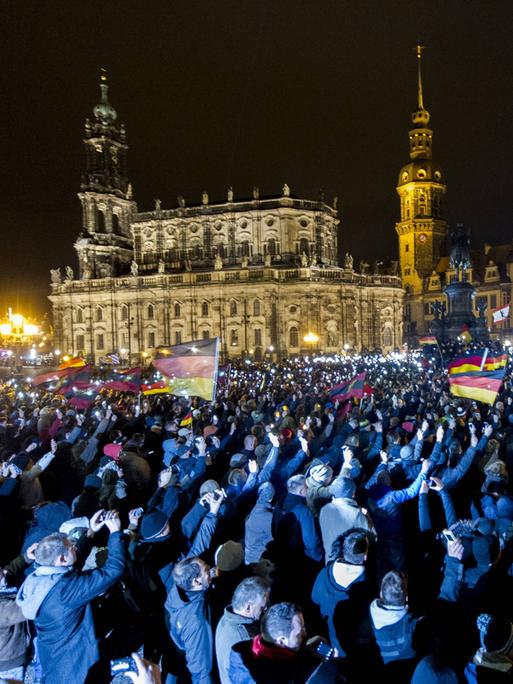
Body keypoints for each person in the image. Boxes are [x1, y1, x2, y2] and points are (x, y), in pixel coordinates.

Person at [16, 510, 126, 684]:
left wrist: (91, 531)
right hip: (76, 669)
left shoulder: (38, 579)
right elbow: (113, 570)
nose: (75, 547)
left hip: (55, 661)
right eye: (71, 546)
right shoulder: (64, 592)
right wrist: (115, 533)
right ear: (60, 559)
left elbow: (72, 562)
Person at [228, 602, 340, 683]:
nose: (305, 634)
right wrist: (328, 669)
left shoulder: (253, 650)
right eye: (300, 632)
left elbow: (284, 661)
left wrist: (305, 652)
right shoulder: (266, 678)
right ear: (281, 641)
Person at [215, 576, 270, 684]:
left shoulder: (225, 618)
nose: (266, 609)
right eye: (262, 607)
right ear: (248, 607)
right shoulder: (245, 639)